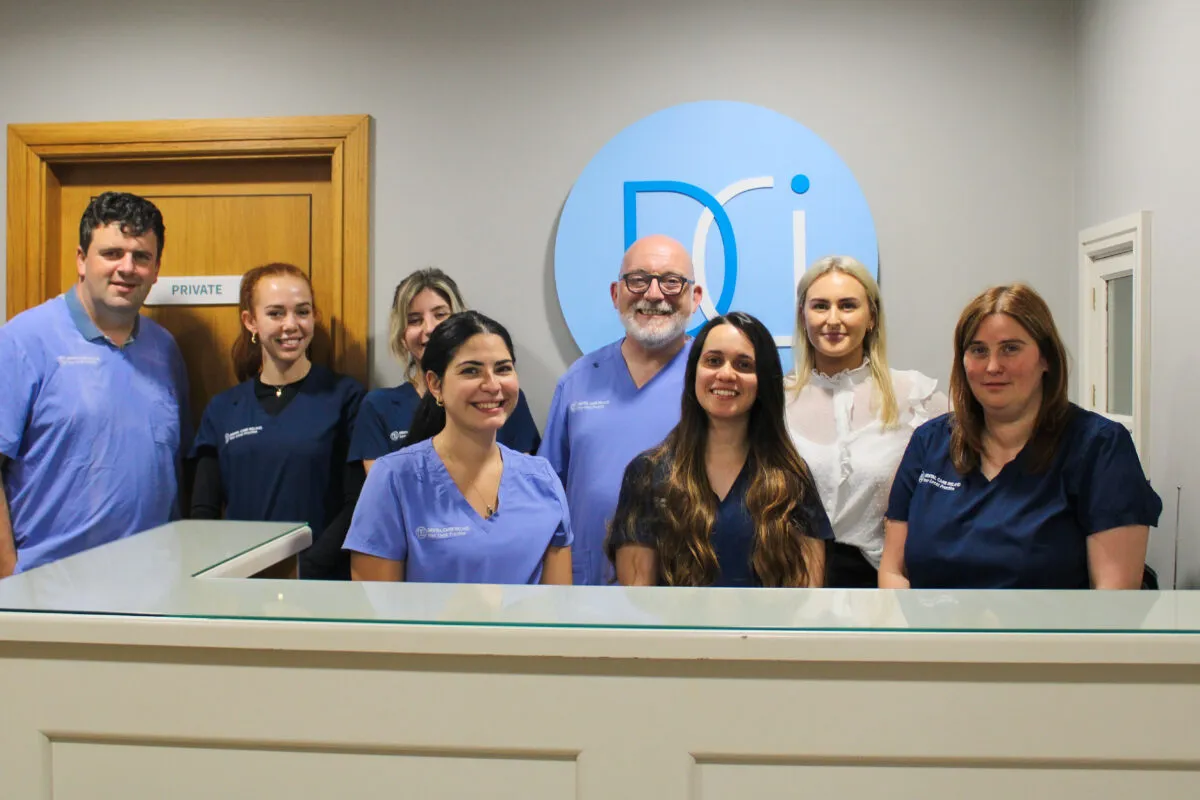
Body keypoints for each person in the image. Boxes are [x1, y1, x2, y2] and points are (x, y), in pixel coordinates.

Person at [880, 283, 1161, 589]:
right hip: (932, 621)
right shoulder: (929, 443)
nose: (992, 366)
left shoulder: (1099, 447)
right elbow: (893, 571)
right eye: (978, 350)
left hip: (1051, 623)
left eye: (1010, 348)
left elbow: (1114, 598)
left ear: (1046, 358)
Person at [0, 191, 188, 576]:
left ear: (156, 269)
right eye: (112, 253)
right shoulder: (23, 341)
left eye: (141, 257)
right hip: (47, 587)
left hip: (153, 581)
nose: (127, 267)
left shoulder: (164, 350)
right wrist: (8, 579)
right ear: (81, 260)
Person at [344, 311, 572, 585]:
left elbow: (558, 605)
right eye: (471, 371)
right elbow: (376, 606)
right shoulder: (393, 479)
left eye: (503, 368)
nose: (492, 385)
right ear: (435, 385)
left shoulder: (542, 479)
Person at [607, 312, 831, 587]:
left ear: (764, 380)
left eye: (744, 365)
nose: (725, 374)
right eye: (713, 361)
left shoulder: (791, 478)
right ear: (694, 372)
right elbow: (637, 598)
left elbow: (808, 598)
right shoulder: (647, 474)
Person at [540, 234, 702, 585]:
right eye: (638, 280)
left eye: (671, 281)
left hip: (685, 587)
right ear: (616, 294)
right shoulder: (578, 381)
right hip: (586, 588)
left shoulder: (711, 382)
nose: (654, 294)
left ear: (696, 297)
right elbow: (546, 497)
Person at [189, 263, 364, 579]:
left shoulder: (346, 398)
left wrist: (303, 571)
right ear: (250, 321)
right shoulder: (223, 409)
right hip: (240, 583)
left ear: (314, 317)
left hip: (319, 584)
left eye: (302, 312)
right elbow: (204, 512)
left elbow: (358, 504)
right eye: (276, 313)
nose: (291, 324)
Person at [785, 256, 947, 587]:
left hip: (883, 587)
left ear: (871, 316)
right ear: (803, 316)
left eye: (847, 306)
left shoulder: (917, 397)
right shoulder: (775, 401)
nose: (833, 319)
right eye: (820, 306)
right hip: (794, 586)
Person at [349, 268, 541, 473]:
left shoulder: (502, 397)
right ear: (401, 334)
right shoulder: (379, 407)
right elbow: (383, 488)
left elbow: (523, 482)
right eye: (414, 320)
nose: (429, 328)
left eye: (440, 314)